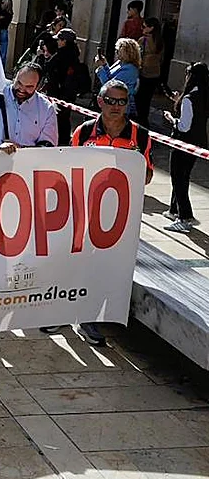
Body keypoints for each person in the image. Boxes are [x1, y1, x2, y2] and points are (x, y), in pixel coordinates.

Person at [41, 79, 153, 346]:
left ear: (128, 104)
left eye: (122, 101)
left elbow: (147, 175)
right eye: (111, 101)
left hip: (118, 216)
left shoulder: (141, 136)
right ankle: (62, 311)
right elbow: (69, 166)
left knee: (103, 266)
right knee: (72, 260)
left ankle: (89, 317)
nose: (116, 107)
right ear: (100, 101)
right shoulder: (84, 131)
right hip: (83, 210)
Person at [163, 62, 209, 232]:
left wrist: (171, 118)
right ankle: (174, 210)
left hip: (183, 143)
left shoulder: (189, 99)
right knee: (184, 176)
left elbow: (184, 126)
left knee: (178, 178)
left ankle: (185, 216)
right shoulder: (203, 96)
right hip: (198, 143)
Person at [0, 62, 59, 149]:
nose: (22, 90)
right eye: (19, 83)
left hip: (27, 161)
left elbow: (48, 146)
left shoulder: (47, 109)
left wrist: (20, 150)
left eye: (29, 87)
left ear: (38, 87)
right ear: (14, 77)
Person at [95, 38, 141, 117]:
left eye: (119, 50)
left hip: (120, 105)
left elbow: (110, 85)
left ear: (127, 52)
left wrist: (100, 68)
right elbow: (110, 75)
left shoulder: (130, 69)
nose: (116, 52)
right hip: (110, 101)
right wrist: (104, 65)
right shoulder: (120, 62)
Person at [135, 17, 165, 127]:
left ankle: (140, 120)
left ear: (151, 28)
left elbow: (137, 56)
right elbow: (161, 59)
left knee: (139, 98)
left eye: (144, 26)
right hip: (155, 74)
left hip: (144, 73)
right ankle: (144, 120)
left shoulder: (143, 40)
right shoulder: (160, 41)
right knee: (147, 99)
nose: (142, 28)